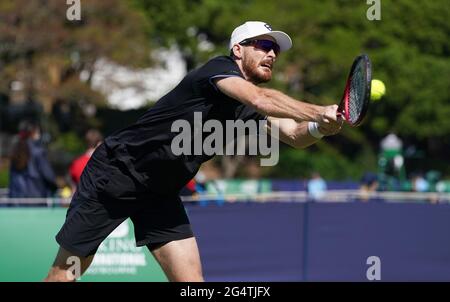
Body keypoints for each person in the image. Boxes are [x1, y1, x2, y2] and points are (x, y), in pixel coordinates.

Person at [45, 21, 343, 282]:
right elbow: (261, 98)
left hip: (160, 192)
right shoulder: (218, 70)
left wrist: (320, 128)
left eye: (276, 49)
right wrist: (318, 111)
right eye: (264, 45)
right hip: (116, 175)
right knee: (63, 276)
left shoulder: (248, 107)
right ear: (238, 50)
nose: (272, 54)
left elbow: (293, 134)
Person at [8, 120, 57, 199]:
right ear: (33, 133)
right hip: (36, 199)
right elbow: (49, 176)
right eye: (38, 132)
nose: (39, 135)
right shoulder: (39, 152)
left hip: (15, 200)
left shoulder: (15, 150)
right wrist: (54, 188)